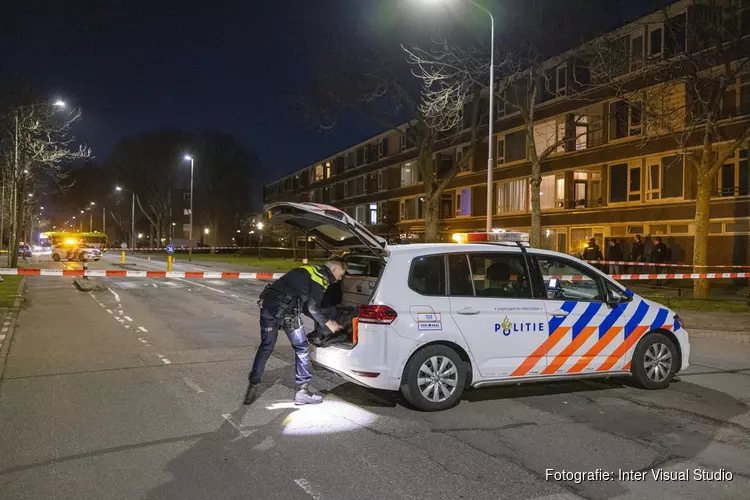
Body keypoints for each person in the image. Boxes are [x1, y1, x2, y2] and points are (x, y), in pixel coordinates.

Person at [244, 256, 346, 406]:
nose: (339, 279)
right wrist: (328, 323)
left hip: (268, 308)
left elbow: (304, 305)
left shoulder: (307, 269)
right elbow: (312, 307)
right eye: (341, 274)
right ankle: (302, 393)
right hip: (287, 313)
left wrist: (318, 318)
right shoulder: (320, 278)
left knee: (266, 347)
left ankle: (253, 385)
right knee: (302, 348)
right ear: (335, 268)